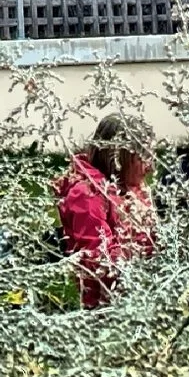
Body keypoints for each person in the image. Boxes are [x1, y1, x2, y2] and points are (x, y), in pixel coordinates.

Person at [54, 113, 156, 306]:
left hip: (143, 291)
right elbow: (98, 258)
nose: (150, 167)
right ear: (118, 158)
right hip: (107, 304)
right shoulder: (88, 195)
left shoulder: (132, 187)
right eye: (143, 157)